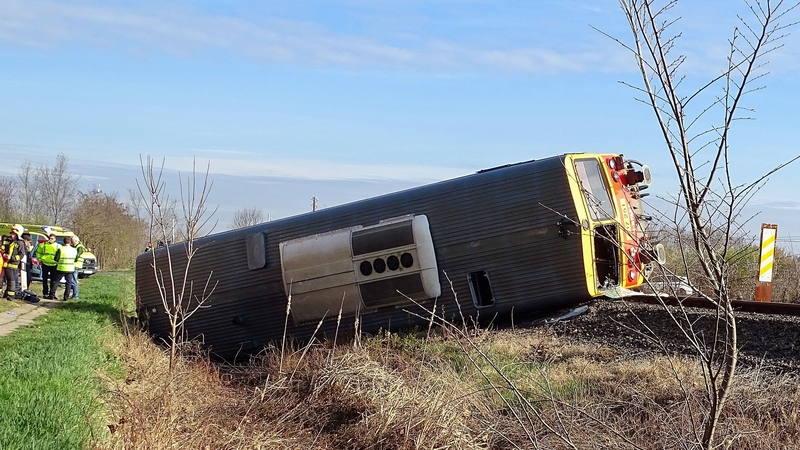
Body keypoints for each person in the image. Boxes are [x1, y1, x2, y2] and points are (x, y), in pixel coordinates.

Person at [2, 225, 25, 300]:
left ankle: (11, 296)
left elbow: (21, 255)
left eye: (13, 234)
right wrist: (3, 252)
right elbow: (3, 247)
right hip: (4, 264)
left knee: (11, 280)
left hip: (13, 265)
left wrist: (12, 258)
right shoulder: (7, 240)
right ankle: (4, 293)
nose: (12, 235)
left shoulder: (20, 243)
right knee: (1, 279)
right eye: (11, 233)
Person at [36, 233, 61, 299]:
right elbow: (38, 253)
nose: (50, 239)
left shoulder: (58, 246)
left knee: (53, 280)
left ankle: (52, 293)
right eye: (49, 238)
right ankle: (45, 293)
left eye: (52, 238)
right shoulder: (43, 245)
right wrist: (39, 260)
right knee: (44, 279)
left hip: (54, 265)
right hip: (45, 264)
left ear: (55, 239)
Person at [70, 235, 85, 300]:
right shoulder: (75, 246)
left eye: (72, 241)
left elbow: (77, 256)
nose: (71, 242)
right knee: (72, 280)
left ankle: (75, 296)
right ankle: (74, 294)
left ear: (76, 241)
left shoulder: (80, 247)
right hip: (73, 265)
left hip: (76, 265)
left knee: (74, 281)